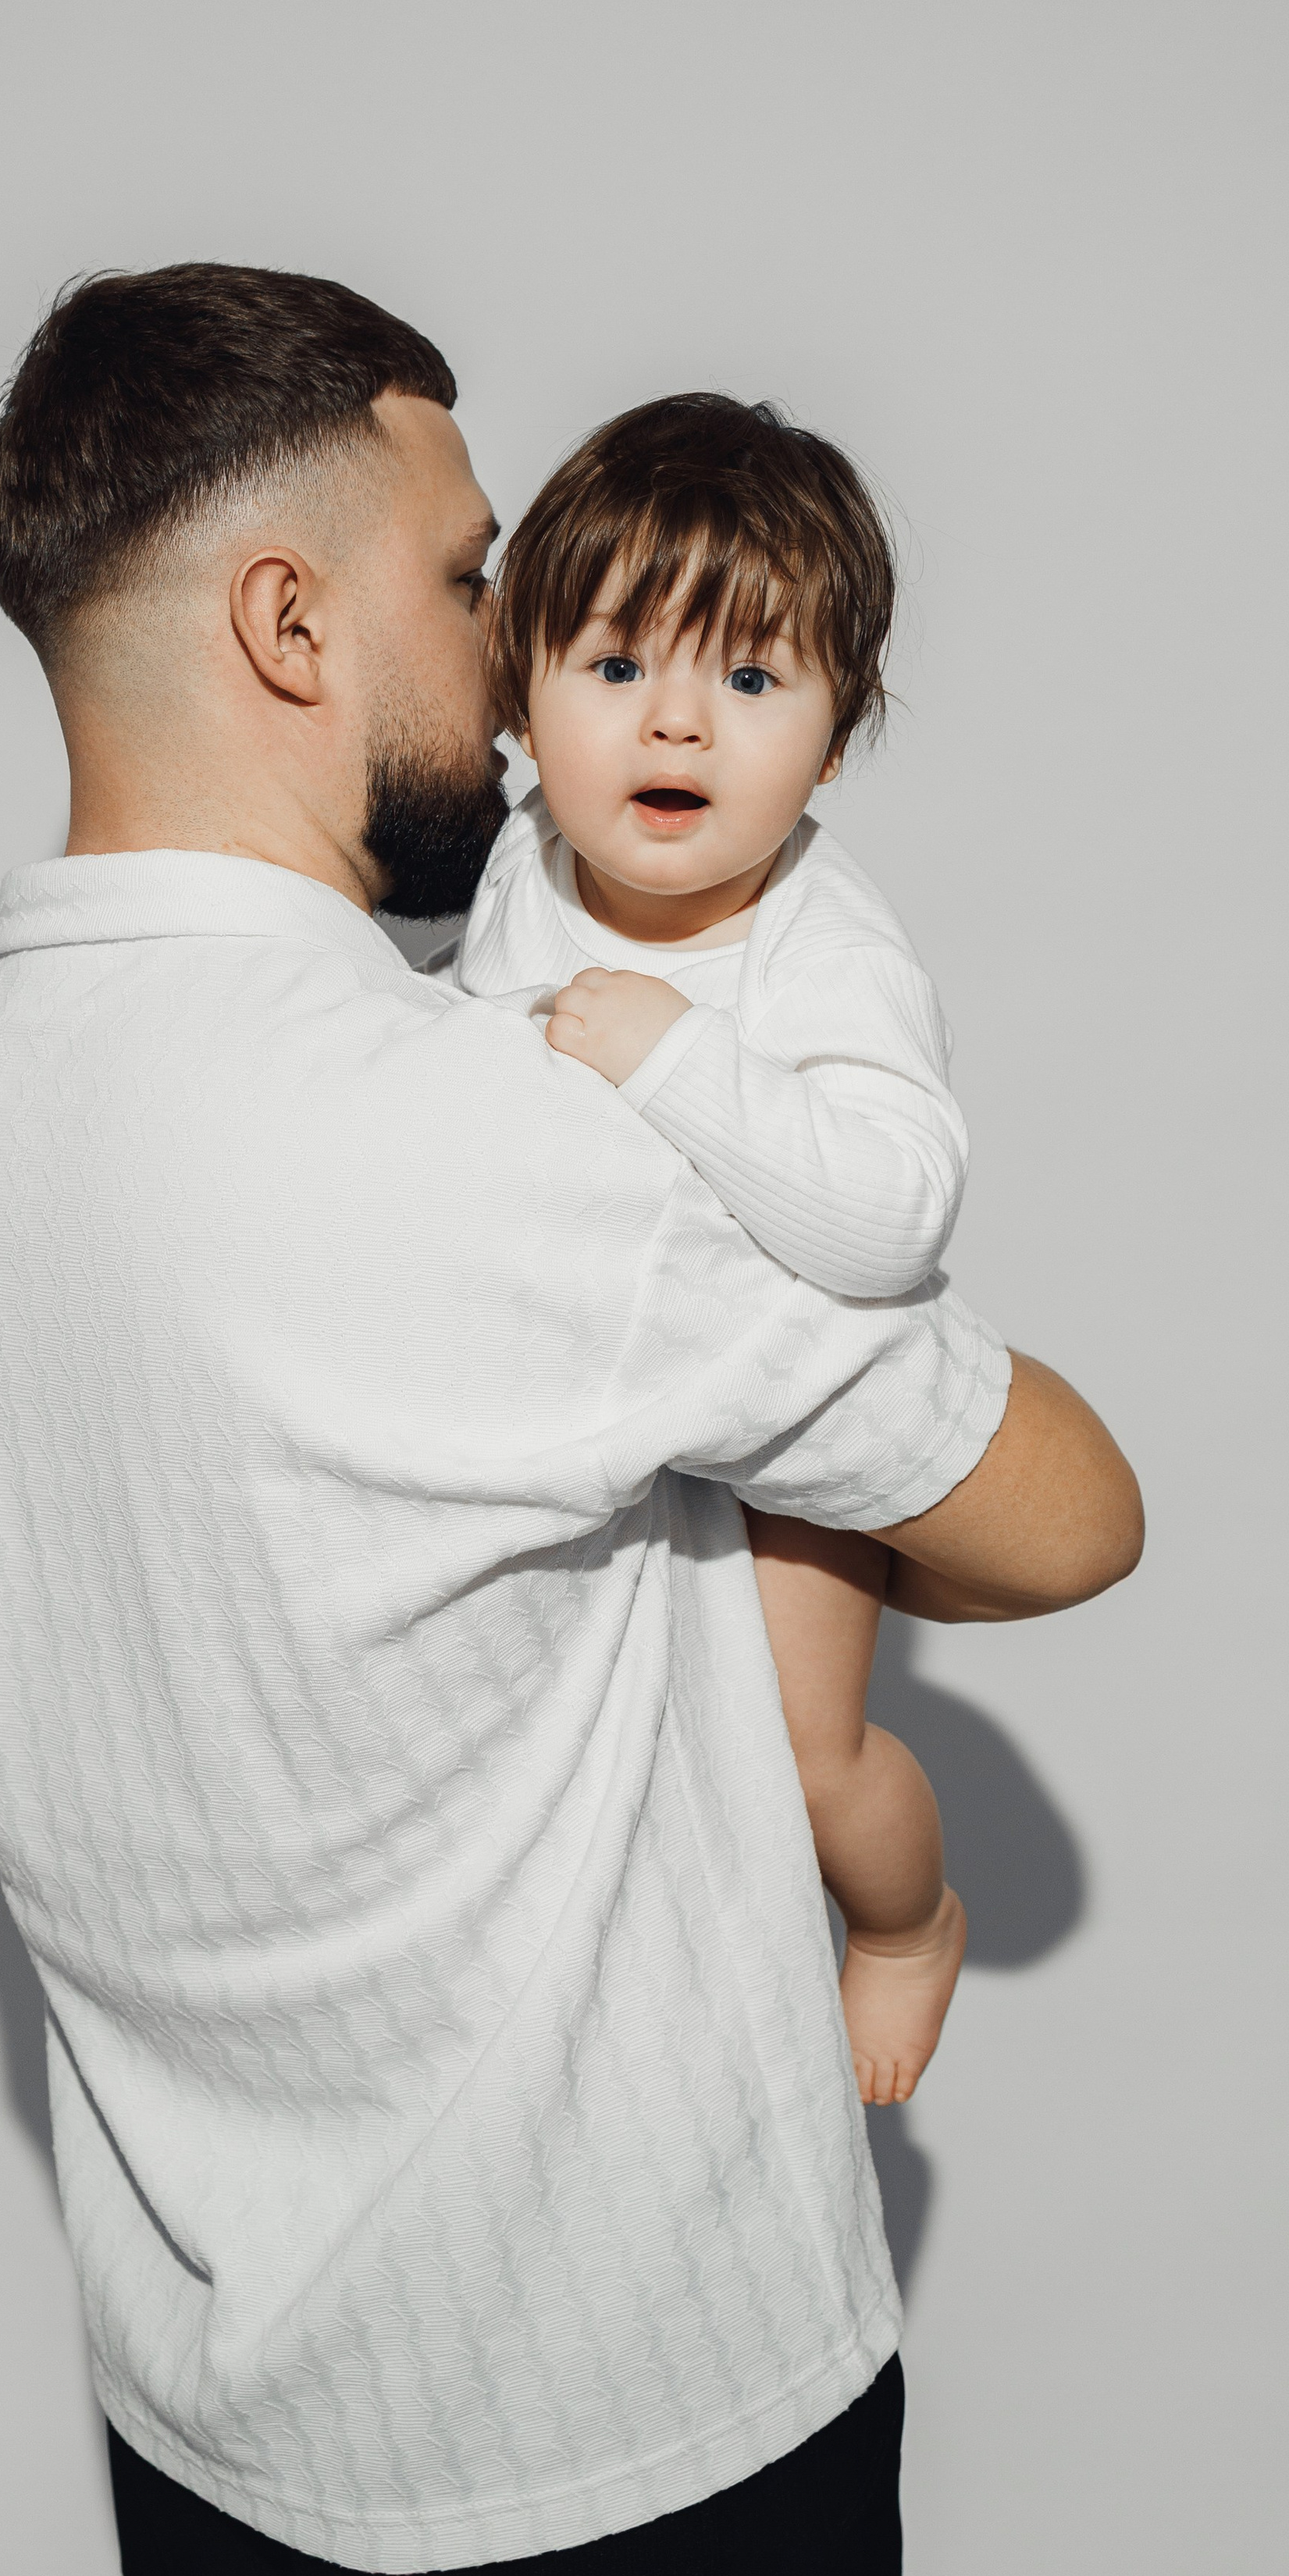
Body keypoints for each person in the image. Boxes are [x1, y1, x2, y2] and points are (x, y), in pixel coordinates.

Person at [0, 262, 1141, 2576]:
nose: (515, 636)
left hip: (216, 2450)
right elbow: (1070, 1519)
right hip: (626, 2444)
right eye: (467, 573)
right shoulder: (486, 1143)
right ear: (291, 621)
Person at [458, 393, 969, 2108]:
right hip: (589, 1409)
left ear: (831, 743)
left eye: (751, 682)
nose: (674, 718)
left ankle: (905, 1924)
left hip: (788, 1436)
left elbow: (892, 1218)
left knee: (801, 1762)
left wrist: (669, 1048)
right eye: (612, 667)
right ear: (517, 691)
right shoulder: (511, 870)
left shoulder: (820, 939)